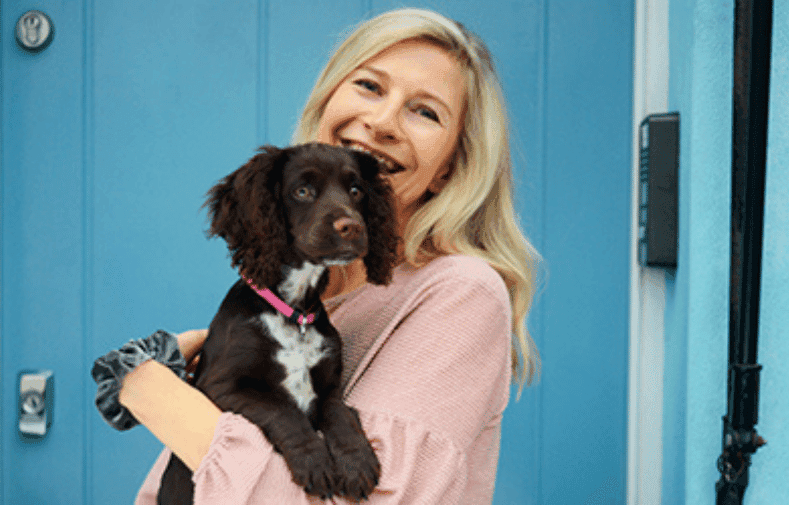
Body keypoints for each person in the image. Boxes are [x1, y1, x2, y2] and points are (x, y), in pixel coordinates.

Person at [115, 7, 540, 504]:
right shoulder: (293, 294)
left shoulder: (461, 294)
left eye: (425, 111)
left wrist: (150, 393)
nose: (381, 122)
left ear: (450, 169)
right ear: (328, 98)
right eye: (369, 86)